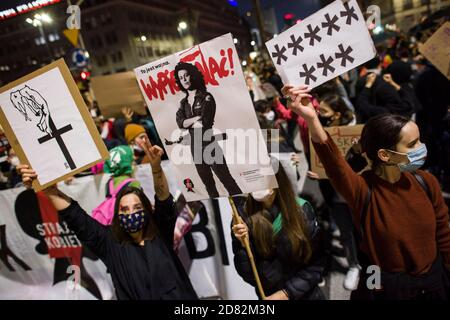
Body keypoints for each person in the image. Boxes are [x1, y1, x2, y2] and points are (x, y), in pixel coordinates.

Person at [283, 83, 450, 300]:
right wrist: (312, 118)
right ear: (385, 155)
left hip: (433, 283)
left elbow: (443, 232)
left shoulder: (426, 182)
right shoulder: (363, 190)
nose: (422, 148)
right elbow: (333, 163)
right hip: (386, 286)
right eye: (413, 144)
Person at [18, 136, 198, 300]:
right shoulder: (110, 244)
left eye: (137, 207)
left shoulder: (160, 234)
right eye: (124, 209)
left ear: (146, 211)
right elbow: (75, 216)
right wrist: (46, 187)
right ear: (117, 215)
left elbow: (163, 200)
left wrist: (156, 167)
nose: (131, 213)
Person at [232, 162, 326, 300]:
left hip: (306, 295)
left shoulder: (301, 210)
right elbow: (248, 274)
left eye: (262, 178)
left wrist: (287, 293)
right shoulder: (242, 218)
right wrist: (243, 245)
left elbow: (316, 263)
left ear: (277, 179)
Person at [174, 61, 242, 198]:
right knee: (209, 186)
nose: (184, 80)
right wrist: (194, 119)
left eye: (186, 75)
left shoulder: (206, 97)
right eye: (181, 78)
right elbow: (180, 123)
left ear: (193, 76)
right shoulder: (183, 103)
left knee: (227, 181)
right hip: (196, 149)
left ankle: (243, 208)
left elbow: (205, 122)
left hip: (210, 145)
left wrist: (189, 122)